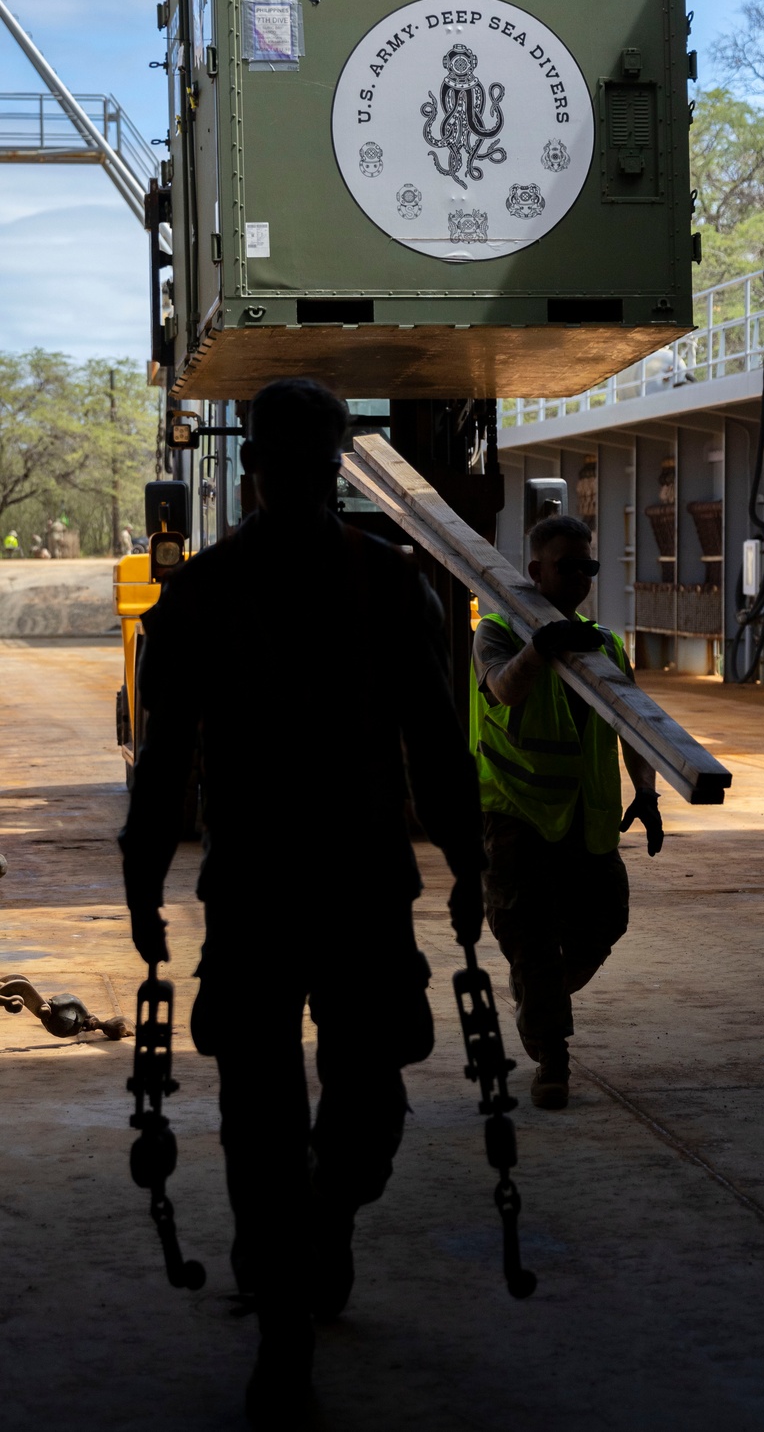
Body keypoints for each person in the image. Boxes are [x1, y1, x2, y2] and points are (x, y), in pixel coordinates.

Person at [119, 379, 485, 1428]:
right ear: (257, 470)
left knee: (366, 1108)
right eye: (278, 461)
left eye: (303, 462)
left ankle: (320, 1220)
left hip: (357, 887)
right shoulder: (205, 595)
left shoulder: (383, 585)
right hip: (265, 894)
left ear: (325, 469)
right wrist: (145, 876)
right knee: (263, 1117)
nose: (287, 477)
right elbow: (165, 759)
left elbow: (436, 745)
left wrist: (468, 860)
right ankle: (284, 1327)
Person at [470, 514, 664, 1112]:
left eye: (589, 566)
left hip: (586, 815)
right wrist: (539, 650)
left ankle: (536, 995)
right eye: (567, 565)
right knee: (527, 935)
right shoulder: (496, 632)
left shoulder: (603, 643)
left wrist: (647, 791)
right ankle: (553, 1059)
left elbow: (634, 724)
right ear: (534, 572)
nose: (580, 576)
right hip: (516, 811)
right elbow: (503, 689)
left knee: (602, 924)